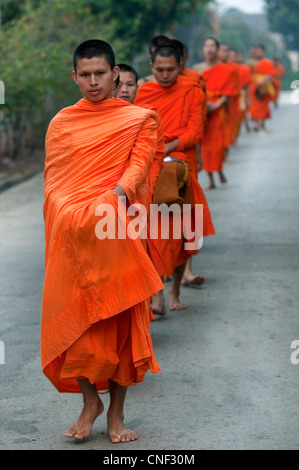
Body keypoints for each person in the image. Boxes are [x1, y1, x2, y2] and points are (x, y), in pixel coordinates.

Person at [41, 39, 164, 444]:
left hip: (115, 229)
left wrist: (117, 195)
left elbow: (140, 165)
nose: (93, 82)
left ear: (116, 74)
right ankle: (90, 401)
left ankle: (116, 415)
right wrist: (69, 210)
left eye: (100, 74)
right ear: (74, 76)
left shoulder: (139, 118)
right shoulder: (61, 122)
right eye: (85, 75)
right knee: (75, 324)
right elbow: (55, 181)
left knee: (121, 325)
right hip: (74, 235)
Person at [135, 45, 215, 311]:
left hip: (181, 165)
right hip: (152, 166)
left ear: (180, 65)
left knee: (182, 234)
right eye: (159, 70)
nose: (165, 75)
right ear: (151, 65)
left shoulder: (192, 90)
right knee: (154, 234)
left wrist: (165, 147)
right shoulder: (144, 92)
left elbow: (195, 132)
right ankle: (157, 295)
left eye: (171, 69)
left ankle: (175, 293)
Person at [114, 63, 167, 314]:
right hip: (109, 195)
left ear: (138, 86)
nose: (124, 90)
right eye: (120, 84)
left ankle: (148, 304)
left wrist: (150, 189)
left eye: (130, 84)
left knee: (141, 250)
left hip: (139, 193)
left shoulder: (146, 116)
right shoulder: (101, 118)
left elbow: (155, 158)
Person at [193, 37, 235, 190]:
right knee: (204, 147)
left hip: (217, 112)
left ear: (217, 49)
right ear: (203, 49)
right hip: (201, 112)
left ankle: (218, 170)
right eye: (206, 46)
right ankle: (211, 177)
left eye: (212, 46)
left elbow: (228, 92)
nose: (209, 49)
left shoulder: (226, 70)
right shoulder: (197, 69)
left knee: (216, 146)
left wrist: (217, 104)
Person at [248, 45, 275, 132]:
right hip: (253, 86)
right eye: (257, 51)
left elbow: (271, 75)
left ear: (263, 52)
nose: (258, 52)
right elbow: (247, 74)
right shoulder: (250, 63)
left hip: (264, 87)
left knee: (263, 106)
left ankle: (259, 124)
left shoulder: (268, 63)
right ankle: (259, 123)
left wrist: (264, 80)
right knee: (255, 106)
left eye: (260, 51)